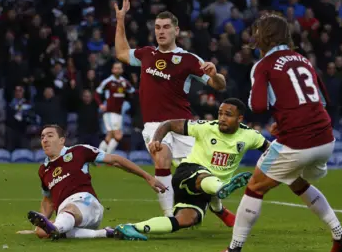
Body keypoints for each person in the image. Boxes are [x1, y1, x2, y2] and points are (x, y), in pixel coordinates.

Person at [217, 14, 342, 252]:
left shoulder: (264, 65)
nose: (254, 35)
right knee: (296, 181)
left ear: (266, 35)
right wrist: (285, 120)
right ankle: (340, 236)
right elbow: (321, 100)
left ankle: (234, 249)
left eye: (258, 30)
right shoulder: (302, 59)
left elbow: (257, 105)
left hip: (298, 140)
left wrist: (282, 119)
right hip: (326, 137)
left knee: (255, 187)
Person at [114, 0, 227, 219]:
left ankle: (218, 207)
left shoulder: (188, 59)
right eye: (157, 27)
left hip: (183, 126)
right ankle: (169, 217)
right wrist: (120, 20)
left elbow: (219, 85)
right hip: (155, 125)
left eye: (166, 27)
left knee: (199, 173)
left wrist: (216, 74)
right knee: (162, 157)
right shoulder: (146, 54)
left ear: (176, 30)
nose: (161, 32)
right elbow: (121, 53)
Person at [113, 99, 268, 240]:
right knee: (204, 176)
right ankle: (221, 191)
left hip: (204, 192)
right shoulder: (205, 127)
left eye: (228, 115)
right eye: (220, 113)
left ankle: (131, 228)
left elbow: (271, 151)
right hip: (188, 173)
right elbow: (169, 124)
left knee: (186, 220)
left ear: (239, 118)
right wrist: (156, 140)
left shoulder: (251, 136)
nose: (221, 118)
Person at [27, 125, 167, 240]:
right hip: (69, 217)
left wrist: (147, 177)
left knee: (68, 210)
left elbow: (116, 160)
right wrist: (42, 222)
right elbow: (48, 200)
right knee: (41, 232)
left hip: (86, 203)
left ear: (62, 140)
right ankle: (107, 233)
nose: (45, 140)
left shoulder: (79, 151)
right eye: (42, 137)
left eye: (50, 135)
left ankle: (57, 227)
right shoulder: (43, 170)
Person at [96, 62, 134, 154]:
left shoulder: (124, 82)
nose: (117, 70)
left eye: (119, 68)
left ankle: (98, 157)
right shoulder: (108, 81)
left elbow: (132, 91)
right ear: (112, 70)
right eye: (115, 68)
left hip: (119, 113)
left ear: (122, 70)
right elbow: (97, 93)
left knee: (109, 136)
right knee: (118, 136)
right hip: (109, 112)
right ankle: (107, 156)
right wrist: (101, 104)